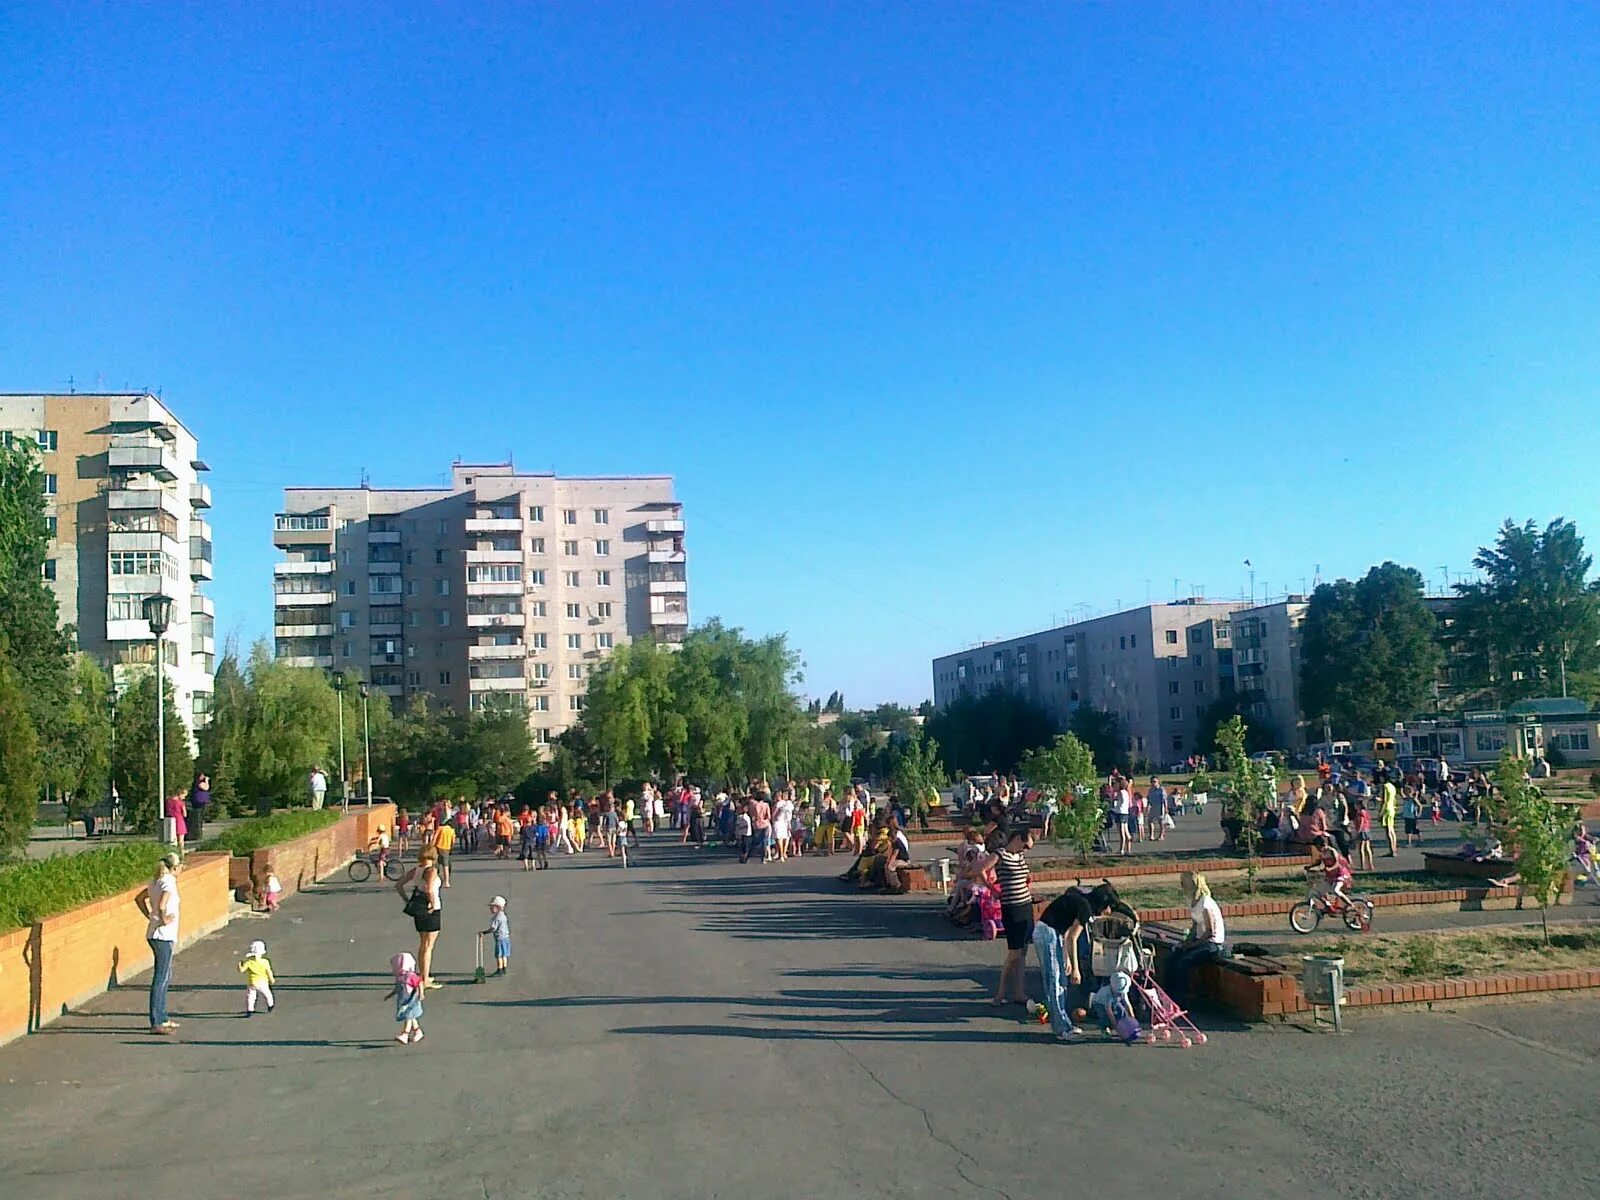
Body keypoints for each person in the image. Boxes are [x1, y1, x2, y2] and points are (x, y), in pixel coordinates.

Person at [1032, 886, 1093, 1041]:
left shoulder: (1077, 904)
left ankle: (1064, 1023)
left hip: (1052, 934)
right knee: (1055, 983)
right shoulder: (1084, 908)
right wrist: (1076, 969)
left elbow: (1066, 933)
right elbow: (1072, 937)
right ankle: (1061, 1029)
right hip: (1047, 934)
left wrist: (1065, 957)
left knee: (1061, 982)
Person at [1163, 871, 1226, 1006]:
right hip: (1199, 941)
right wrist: (1185, 943)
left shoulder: (1205, 903)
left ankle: (1180, 999)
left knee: (1183, 963)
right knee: (1171, 959)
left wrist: (1192, 945)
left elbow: (1210, 932)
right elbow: (1194, 927)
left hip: (1211, 944)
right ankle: (1167, 996)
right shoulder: (1194, 902)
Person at [988, 826, 1035, 1007]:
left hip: (1025, 904)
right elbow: (978, 870)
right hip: (1012, 907)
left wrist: (1026, 882)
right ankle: (1000, 992)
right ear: (1017, 839)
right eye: (1025, 846)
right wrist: (993, 889)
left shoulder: (1019, 856)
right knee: (1014, 953)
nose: (1025, 850)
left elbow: (1025, 876)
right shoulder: (1000, 855)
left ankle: (1019, 992)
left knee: (1022, 951)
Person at [138, 853, 182, 1034]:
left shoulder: (155, 880)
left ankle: (162, 1017)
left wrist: (150, 916)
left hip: (155, 933)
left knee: (165, 975)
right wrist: (163, 918)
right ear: (174, 868)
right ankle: (157, 1021)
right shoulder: (168, 882)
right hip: (163, 934)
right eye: (180, 866)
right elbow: (163, 904)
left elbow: (140, 899)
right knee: (161, 977)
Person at [395, 846, 443, 990]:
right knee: (429, 946)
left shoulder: (416, 870)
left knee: (423, 944)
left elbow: (399, 885)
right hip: (430, 910)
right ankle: (425, 979)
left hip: (418, 908)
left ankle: (424, 974)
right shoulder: (432, 870)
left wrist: (406, 900)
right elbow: (429, 888)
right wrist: (433, 904)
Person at [1306, 835, 1355, 913]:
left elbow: (1337, 863)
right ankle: (1328, 906)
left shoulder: (1331, 851)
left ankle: (1351, 904)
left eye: (1318, 847)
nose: (1317, 849)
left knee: (1336, 890)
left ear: (1323, 845)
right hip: (1331, 875)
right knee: (1319, 892)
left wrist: (1330, 868)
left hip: (1340, 874)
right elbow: (1319, 863)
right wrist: (1310, 867)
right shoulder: (1322, 853)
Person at [387, 952, 425, 1044]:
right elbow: (398, 988)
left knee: (408, 1017)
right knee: (411, 1017)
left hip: (411, 1000)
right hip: (404, 1001)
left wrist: (421, 994)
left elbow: (419, 983)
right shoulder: (400, 977)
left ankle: (405, 1034)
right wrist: (391, 994)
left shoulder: (410, 975)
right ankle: (418, 1031)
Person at [239, 939, 276, 1017]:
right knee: (267, 994)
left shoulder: (249, 962)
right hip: (263, 982)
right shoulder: (265, 961)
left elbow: (242, 970)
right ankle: (270, 1006)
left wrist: (240, 965)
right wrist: (271, 979)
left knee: (251, 996)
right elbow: (269, 971)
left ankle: (250, 1010)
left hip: (252, 982)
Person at [483, 896, 511, 976]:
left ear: (498, 907)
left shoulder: (497, 918)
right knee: (504, 954)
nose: (491, 909)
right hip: (506, 937)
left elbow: (493, 928)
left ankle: (500, 970)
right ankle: (504, 968)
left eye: (492, 907)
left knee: (499, 955)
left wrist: (484, 932)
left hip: (500, 938)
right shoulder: (503, 915)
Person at [163, 791, 188, 856]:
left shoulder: (168, 802)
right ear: (180, 794)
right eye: (184, 796)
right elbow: (185, 814)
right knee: (181, 840)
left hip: (171, 821)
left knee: (173, 839)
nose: (184, 797)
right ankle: (181, 853)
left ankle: (174, 853)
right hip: (180, 821)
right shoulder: (181, 803)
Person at [1380, 774, 1399, 857]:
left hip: (1386, 809)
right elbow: (1394, 799)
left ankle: (1392, 850)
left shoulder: (1385, 786)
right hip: (1392, 808)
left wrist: (1380, 812)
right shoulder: (1392, 786)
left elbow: (1384, 800)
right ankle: (1394, 848)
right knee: (1392, 830)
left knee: (1388, 831)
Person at [432, 819, 455, 887]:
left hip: (437, 847)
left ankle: (433, 880)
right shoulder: (452, 831)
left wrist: (431, 846)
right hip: (446, 849)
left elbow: (434, 838)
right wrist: (451, 848)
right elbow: (453, 841)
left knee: (435, 865)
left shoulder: (440, 828)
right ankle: (446, 882)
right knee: (445, 866)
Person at [1354, 797, 1375, 872]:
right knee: (1367, 848)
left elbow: (1361, 823)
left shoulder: (1360, 813)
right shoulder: (1366, 812)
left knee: (1361, 849)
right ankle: (1370, 864)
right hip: (1367, 830)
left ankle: (1363, 865)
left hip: (1362, 831)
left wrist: (1357, 832)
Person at [189, 774, 211, 842]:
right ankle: (198, 828)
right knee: (199, 815)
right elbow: (206, 787)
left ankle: (200, 826)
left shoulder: (199, 783)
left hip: (201, 801)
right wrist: (207, 781)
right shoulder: (199, 783)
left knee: (201, 814)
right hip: (199, 801)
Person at [1147, 777, 1169, 842]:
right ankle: (1151, 835)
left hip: (1160, 806)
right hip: (1153, 806)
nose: (1153, 783)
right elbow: (1149, 799)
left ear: (1158, 781)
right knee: (1149, 821)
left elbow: (1164, 799)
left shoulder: (1161, 789)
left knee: (1161, 821)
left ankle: (1161, 835)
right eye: (1151, 782)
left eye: (1154, 781)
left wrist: (1166, 808)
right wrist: (1148, 806)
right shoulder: (1151, 790)